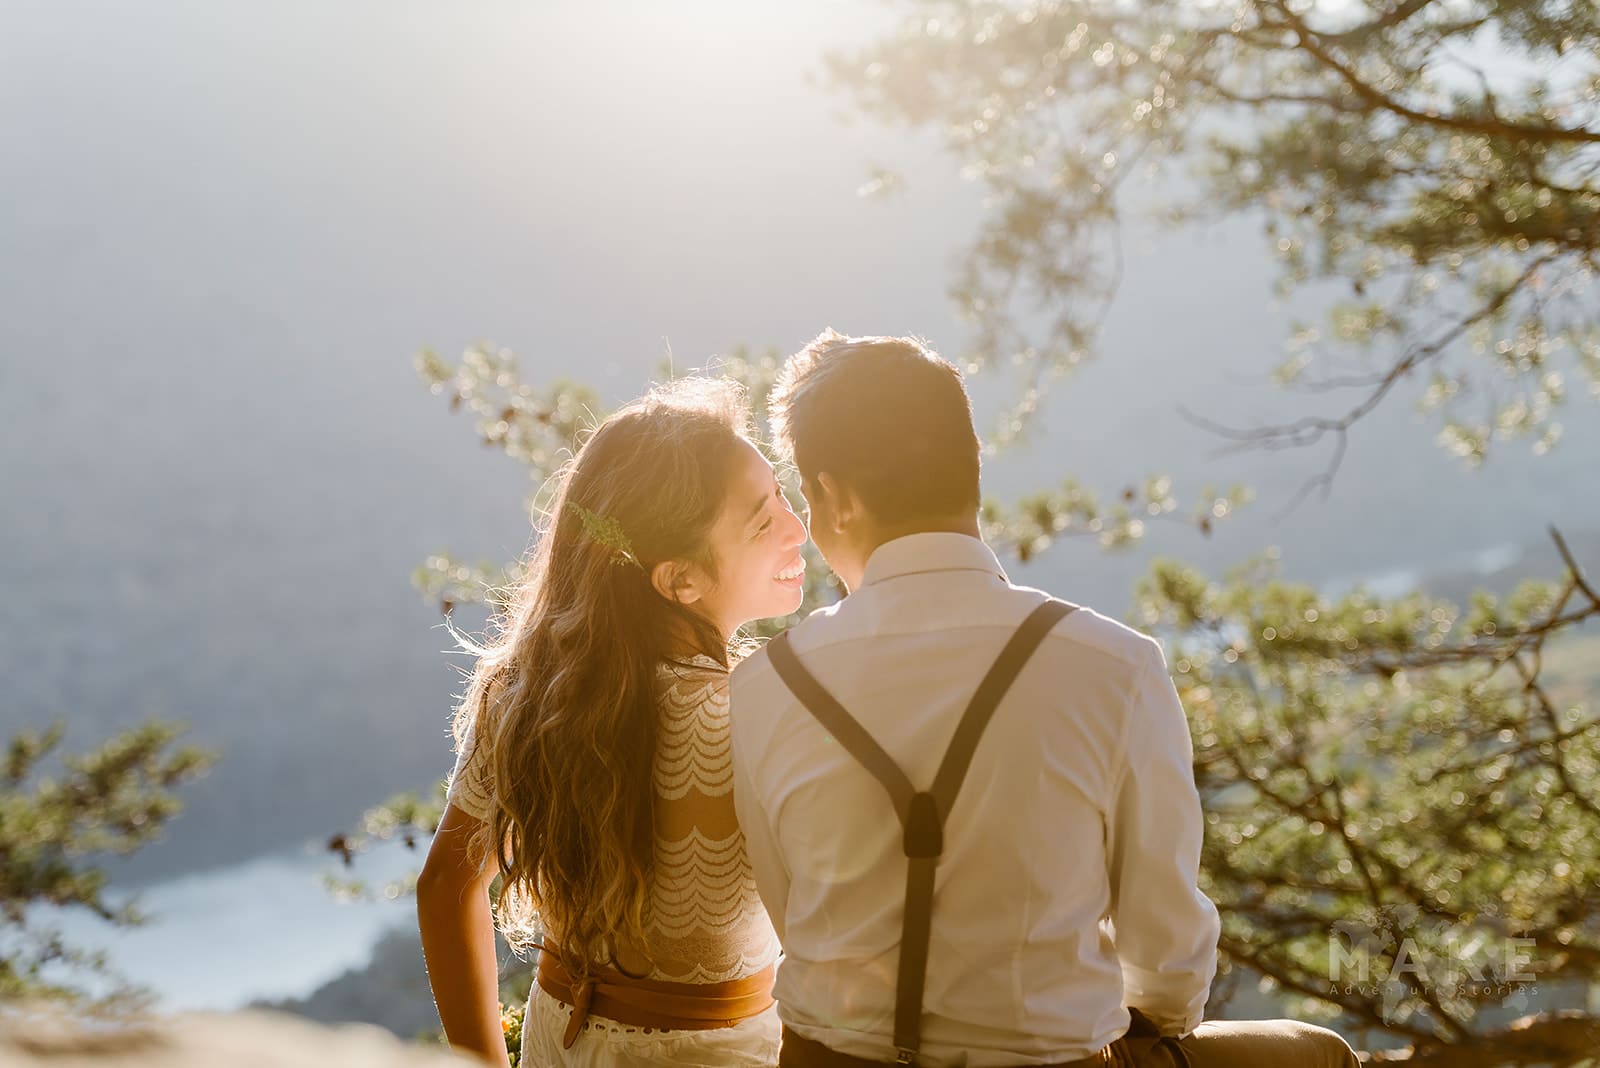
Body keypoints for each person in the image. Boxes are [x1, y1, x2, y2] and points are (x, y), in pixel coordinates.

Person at [729, 331, 1360, 1067]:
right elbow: (1168, 967)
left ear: (832, 497)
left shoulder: (766, 686)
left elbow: (792, 914)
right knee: (1318, 1056)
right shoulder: (1116, 667)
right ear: (970, 469)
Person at [416, 376, 809, 1067]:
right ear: (679, 581)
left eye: (780, 494)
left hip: (557, 1043)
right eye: (762, 517)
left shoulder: (526, 687)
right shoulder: (764, 709)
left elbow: (445, 886)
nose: (797, 527)